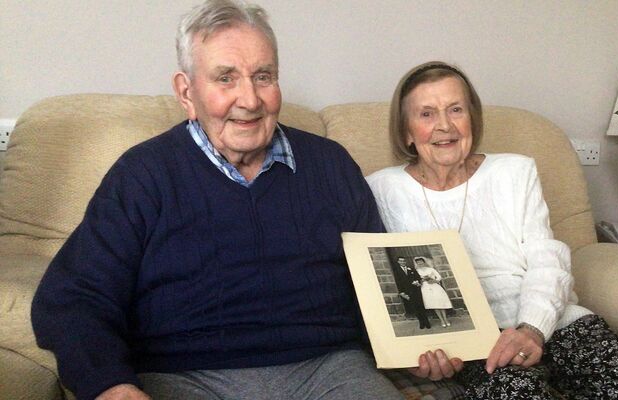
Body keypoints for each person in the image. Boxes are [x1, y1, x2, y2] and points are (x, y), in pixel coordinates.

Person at [30, 1, 404, 399]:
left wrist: (416, 344)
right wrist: (111, 385)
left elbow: (381, 281)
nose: (250, 99)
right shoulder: (142, 174)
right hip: (184, 374)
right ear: (186, 92)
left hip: (327, 368)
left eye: (263, 76)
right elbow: (74, 297)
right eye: (226, 78)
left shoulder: (330, 164)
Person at [366, 61, 618, 399]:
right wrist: (416, 354)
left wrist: (533, 328)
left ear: (472, 118)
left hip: (549, 320)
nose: (444, 125)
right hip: (477, 342)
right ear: (406, 132)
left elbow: (546, 260)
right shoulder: (381, 189)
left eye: (455, 109)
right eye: (427, 114)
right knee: (518, 392)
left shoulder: (514, 172)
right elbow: (382, 290)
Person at [412, 257, 452, 328]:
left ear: (424, 262)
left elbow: (439, 277)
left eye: (421, 261)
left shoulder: (431, 269)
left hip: (434, 286)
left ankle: (446, 319)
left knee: (440, 302)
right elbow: (416, 280)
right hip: (425, 288)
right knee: (434, 304)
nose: (420, 263)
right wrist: (422, 280)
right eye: (418, 262)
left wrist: (434, 280)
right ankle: (441, 320)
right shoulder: (417, 271)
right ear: (417, 263)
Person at [393, 256, 431, 329]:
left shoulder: (411, 268)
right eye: (401, 261)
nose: (403, 262)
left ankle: (427, 322)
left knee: (421, 306)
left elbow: (418, 277)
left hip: (416, 290)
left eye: (404, 261)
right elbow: (398, 282)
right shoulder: (396, 271)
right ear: (398, 262)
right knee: (415, 307)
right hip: (408, 291)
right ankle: (421, 322)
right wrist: (402, 292)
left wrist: (417, 282)